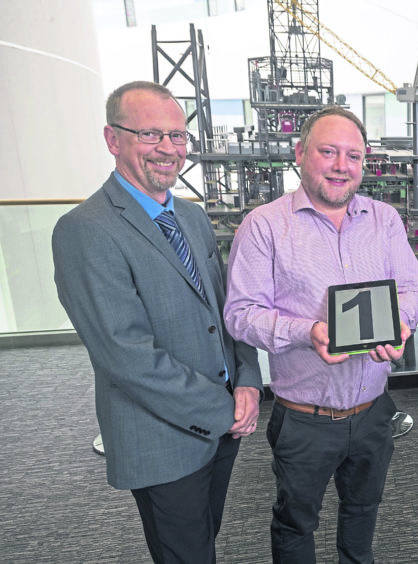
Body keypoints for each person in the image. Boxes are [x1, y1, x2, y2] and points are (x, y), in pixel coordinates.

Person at [52, 81, 263, 564]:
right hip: (163, 438)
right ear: (113, 139)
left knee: (202, 542)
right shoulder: (85, 230)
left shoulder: (191, 216)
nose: (168, 149)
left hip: (223, 424)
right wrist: (223, 408)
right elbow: (125, 355)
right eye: (150, 135)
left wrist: (249, 381)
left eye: (178, 136)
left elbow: (227, 309)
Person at [223, 105, 418, 563]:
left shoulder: (384, 219)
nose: (341, 166)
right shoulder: (264, 226)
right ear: (300, 154)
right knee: (296, 522)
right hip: (305, 418)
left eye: (353, 156)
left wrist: (404, 322)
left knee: (363, 513)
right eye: (328, 152)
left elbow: (411, 286)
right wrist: (307, 331)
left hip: (374, 412)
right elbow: (240, 314)